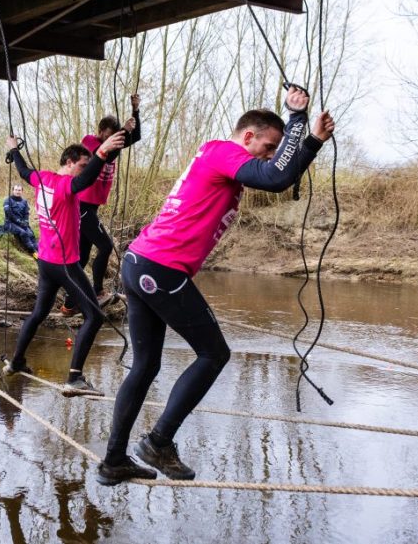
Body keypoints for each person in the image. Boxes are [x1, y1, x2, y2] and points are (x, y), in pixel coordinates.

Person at [95, 88, 335, 486]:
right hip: (160, 267)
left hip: (142, 263)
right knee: (213, 353)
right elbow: (276, 177)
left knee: (146, 365)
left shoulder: (219, 158)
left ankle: (113, 462)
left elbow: (280, 172)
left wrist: (310, 142)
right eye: (268, 146)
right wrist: (297, 119)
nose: (269, 155)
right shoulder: (225, 153)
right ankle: (158, 442)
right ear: (247, 137)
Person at [2, 132, 125, 397]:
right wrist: (102, 153)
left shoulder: (43, 178)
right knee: (95, 317)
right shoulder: (64, 186)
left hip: (46, 262)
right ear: (69, 162)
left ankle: (17, 361)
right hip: (65, 265)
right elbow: (86, 179)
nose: (82, 170)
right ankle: (75, 378)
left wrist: (14, 150)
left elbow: (24, 171)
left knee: (38, 314)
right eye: (81, 164)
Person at [62, 94, 142, 315]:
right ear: (101, 130)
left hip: (91, 208)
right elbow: (104, 151)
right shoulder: (89, 142)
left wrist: (135, 111)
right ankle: (97, 291)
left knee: (83, 256)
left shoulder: (112, 147)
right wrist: (123, 131)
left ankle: (70, 303)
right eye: (107, 133)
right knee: (106, 246)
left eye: (111, 135)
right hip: (83, 206)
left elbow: (134, 138)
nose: (108, 138)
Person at [3, 183, 38, 255]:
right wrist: (18, 221)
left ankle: (41, 252)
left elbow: (26, 213)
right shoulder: (8, 200)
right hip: (10, 223)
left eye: (19, 190)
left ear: (22, 191)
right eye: (16, 190)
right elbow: (8, 213)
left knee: (31, 234)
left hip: (22, 223)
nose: (17, 192)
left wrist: (26, 222)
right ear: (13, 190)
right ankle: (33, 252)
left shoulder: (24, 202)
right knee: (23, 233)